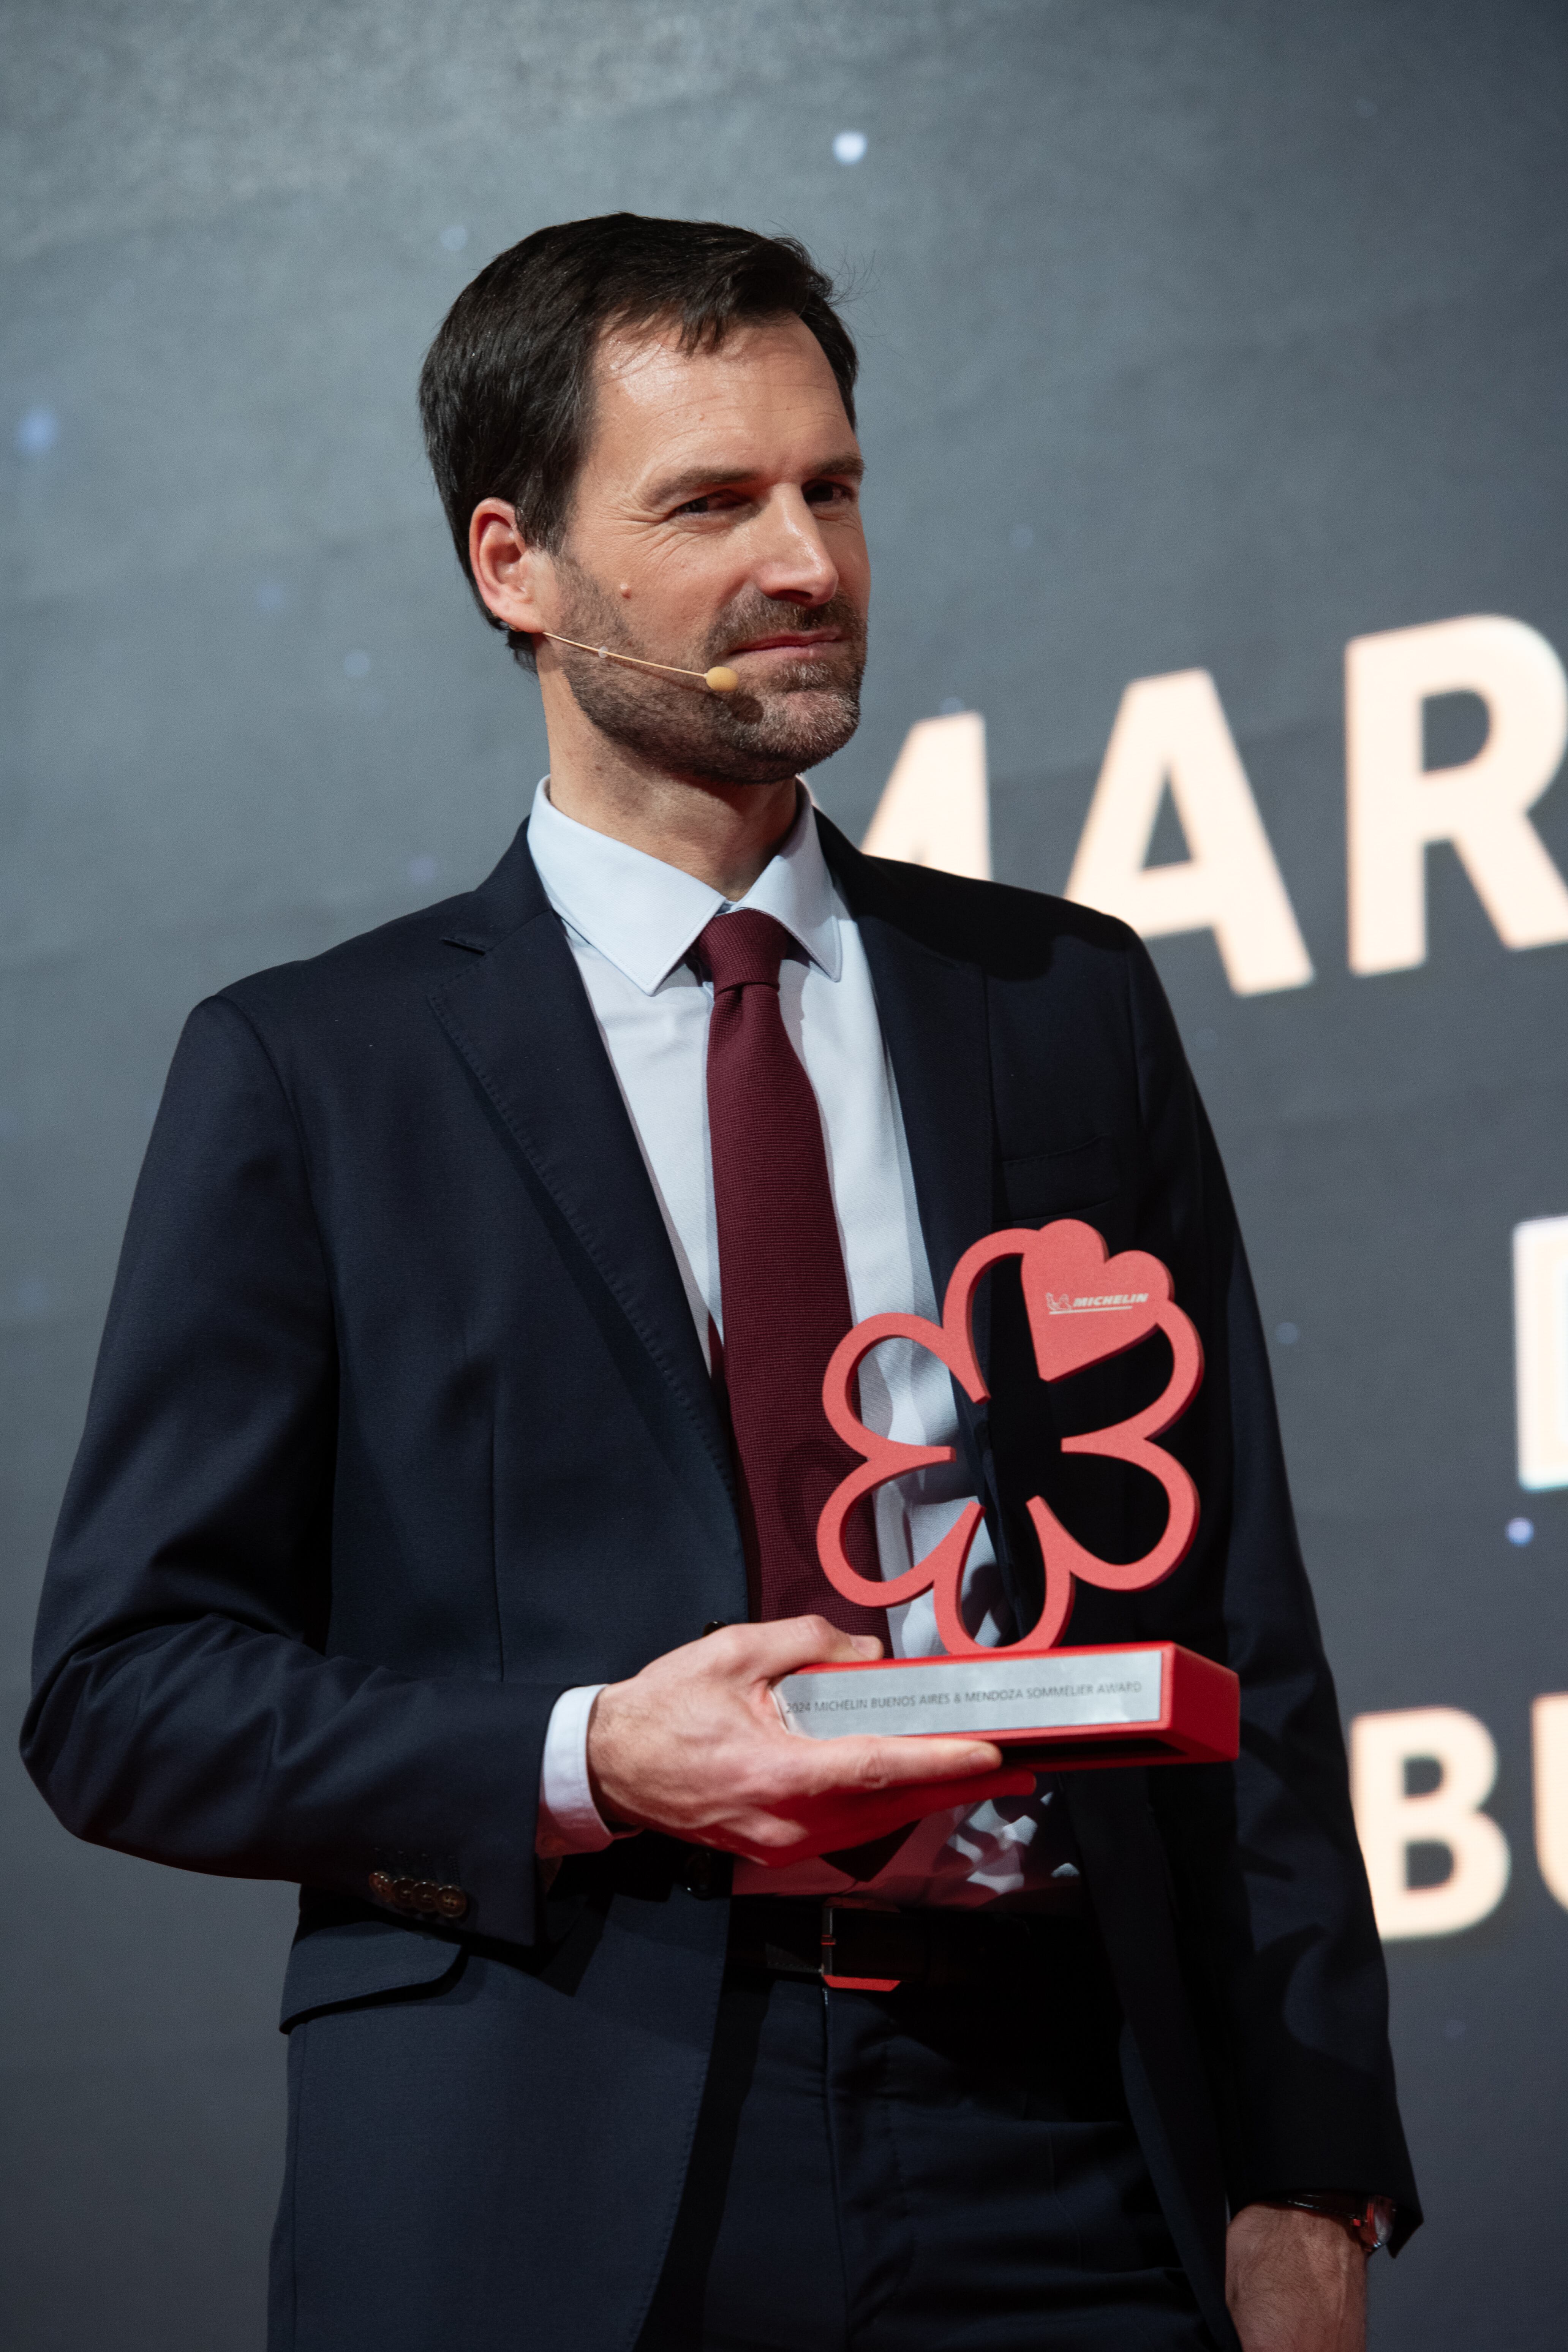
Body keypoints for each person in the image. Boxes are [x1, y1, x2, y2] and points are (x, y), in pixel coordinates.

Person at [23, 213, 1418, 2352]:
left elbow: (1237, 1632)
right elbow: (126, 1697)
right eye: (710, 502)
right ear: (516, 564)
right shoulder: (317, 1070)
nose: (809, 562)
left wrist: (1307, 2169)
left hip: (1062, 2150)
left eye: (832, 487)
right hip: (548, 2168)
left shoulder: (1058, 1001)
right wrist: (598, 1753)